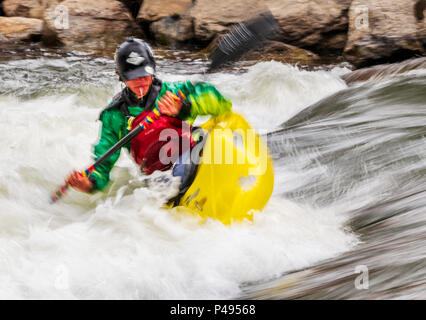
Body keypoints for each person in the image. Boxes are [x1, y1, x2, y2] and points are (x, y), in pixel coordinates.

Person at [66, 37, 232, 193]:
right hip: (160, 178)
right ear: (121, 76)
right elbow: (102, 164)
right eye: (133, 77)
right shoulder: (115, 115)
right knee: (177, 174)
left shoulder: (174, 93)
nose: (141, 81)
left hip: (191, 152)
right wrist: (89, 184)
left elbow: (221, 105)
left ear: (153, 70)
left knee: (203, 148)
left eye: (144, 74)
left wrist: (184, 108)